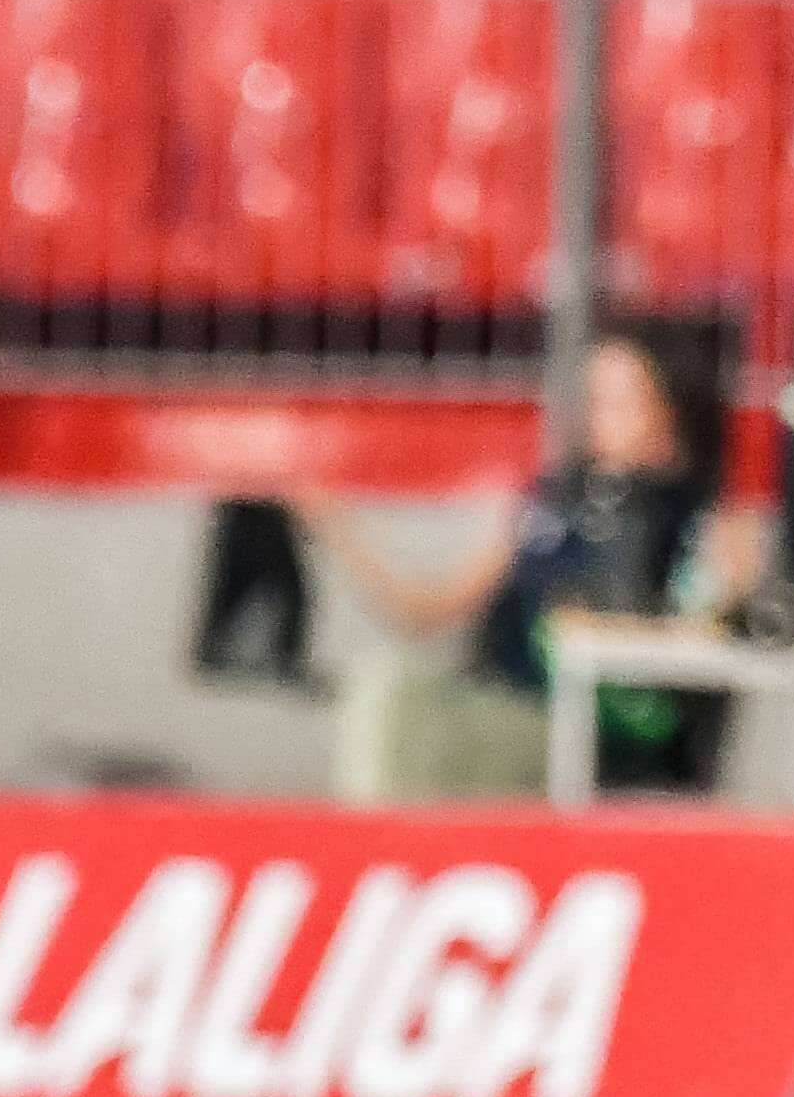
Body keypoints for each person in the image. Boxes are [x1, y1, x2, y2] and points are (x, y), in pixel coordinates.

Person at [314, 331, 743, 802]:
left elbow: (709, 624)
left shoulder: (701, 517)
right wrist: (331, 522)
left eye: (617, 399)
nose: (596, 416)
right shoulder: (549, 500)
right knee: (386, 693)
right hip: (515, 706)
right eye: (590, 398)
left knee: (409, 724)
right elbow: (424, 613)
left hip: (608, 727)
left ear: (668, 407)